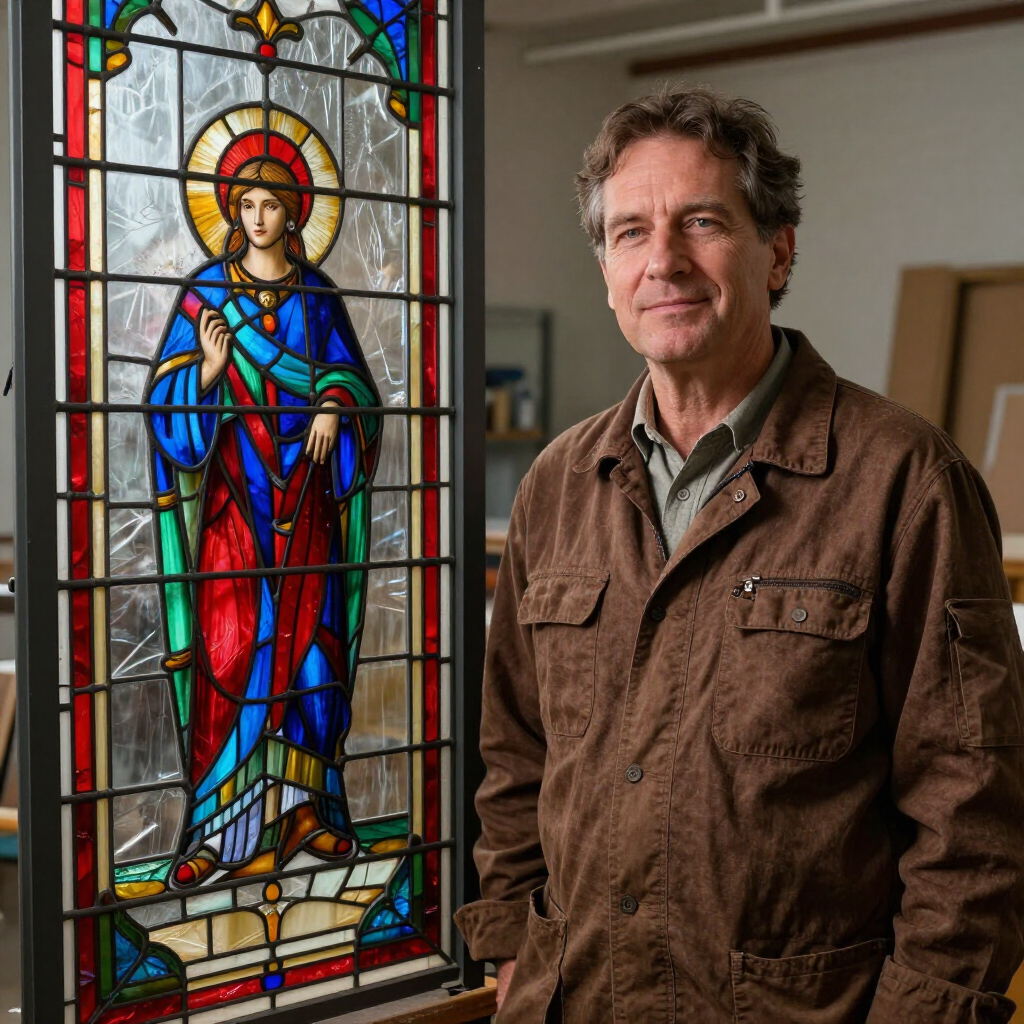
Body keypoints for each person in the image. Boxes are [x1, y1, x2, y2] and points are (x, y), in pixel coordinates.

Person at [454, 87, 1024, 1023]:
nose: (664, 261)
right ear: (606, 269)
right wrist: (515, 949)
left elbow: (974, 813)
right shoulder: (558, 484)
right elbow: (515, 755)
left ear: (778, 252)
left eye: (702, 222)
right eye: (630, 232)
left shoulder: (905, 481)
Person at [147, 159, 381, 887]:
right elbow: (167, 416)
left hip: (307, 501)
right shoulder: (205, 297)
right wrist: (208, 372)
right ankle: (220, 830)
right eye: (245, 204)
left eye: (270, 205)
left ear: (293, 214)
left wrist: (334, 405)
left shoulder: (317, 296)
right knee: (232, 653)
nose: (256, 218)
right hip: (236, 510)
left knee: (312, 657)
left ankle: (309, 809)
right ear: (230, 211)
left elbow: (354, 384)